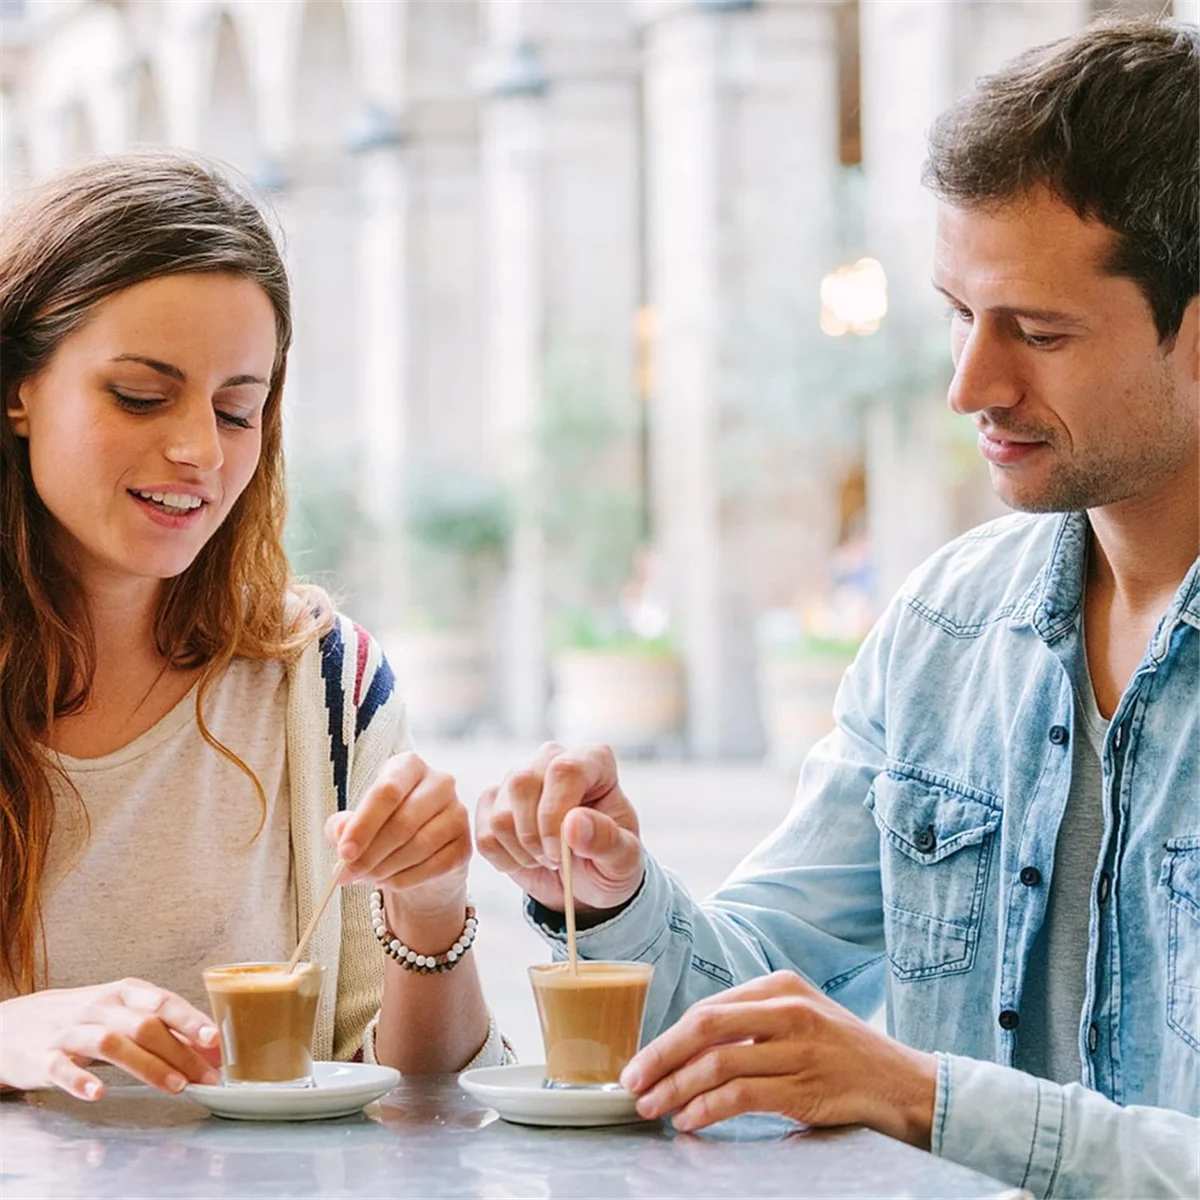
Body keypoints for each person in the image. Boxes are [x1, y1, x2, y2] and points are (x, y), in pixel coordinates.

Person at [476, 16, 1199, 1198]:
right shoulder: (945, 630)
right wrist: (612, 895)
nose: (972, 382)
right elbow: (757, 1007)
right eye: (958, 313)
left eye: (1041, 331)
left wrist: (928, 1100)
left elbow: (889, 1087)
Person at [0, 150, 509, 1102]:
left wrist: (430, 910)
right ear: (17, 388)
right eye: (141, 396)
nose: (198, 450)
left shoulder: (325, 685)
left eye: (240, 411)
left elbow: (420, 1099)